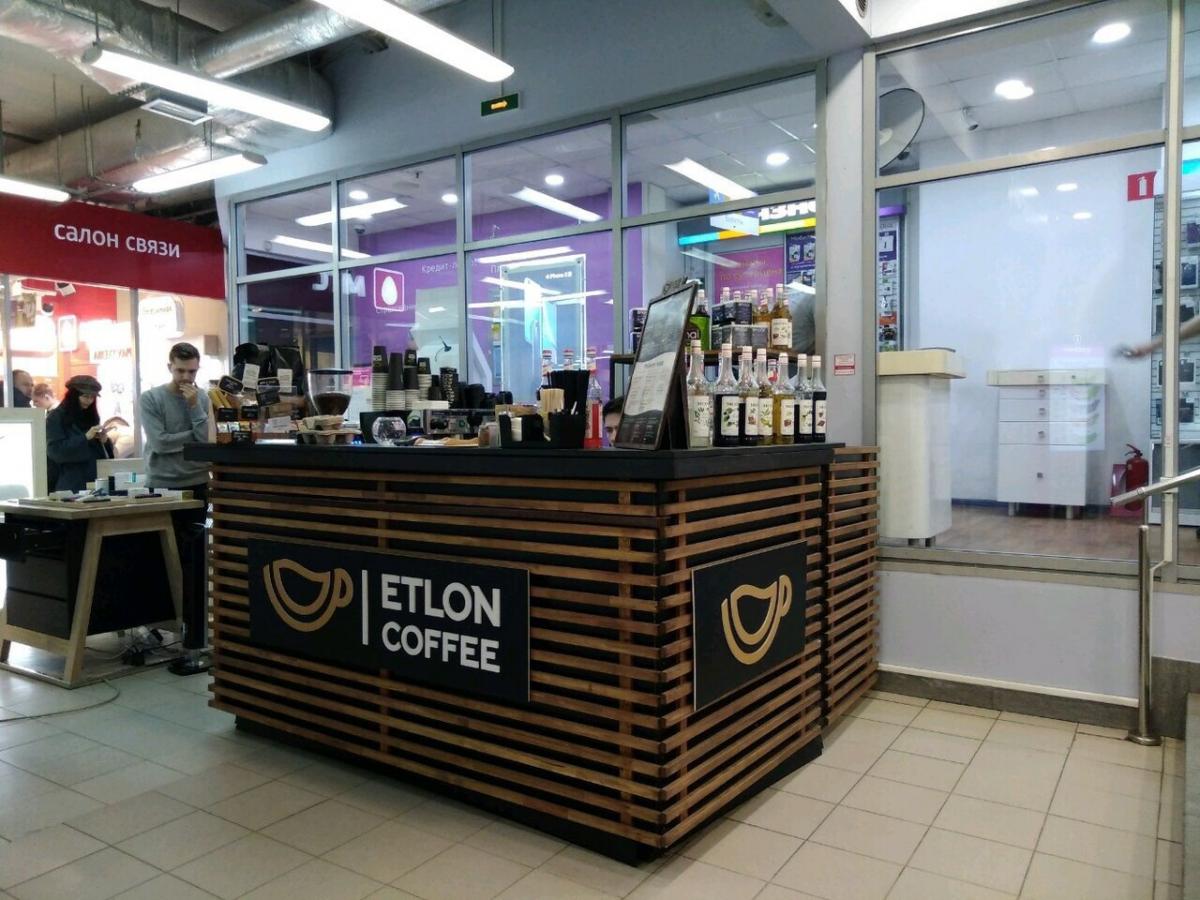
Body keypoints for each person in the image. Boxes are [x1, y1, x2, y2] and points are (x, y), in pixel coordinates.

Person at [140, 342, 211, 525]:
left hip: (198, 480)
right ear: (169, 367)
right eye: (180, 371)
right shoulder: (151, 398)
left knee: (195, 539)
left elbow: (206, 442)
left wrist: (194, 406)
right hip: (162, 483)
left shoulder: (202, 397)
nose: (186, 377)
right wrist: (194, 436)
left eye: (192, 372)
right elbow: (160, 443)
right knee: (162, 541)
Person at [45, 375, 113, 492]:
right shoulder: (56, 417)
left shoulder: (91, 416)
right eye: (85, 396)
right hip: (71, 483)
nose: (89, 401)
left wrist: (104, 441)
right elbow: (55, 451)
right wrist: (85, 438)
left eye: (92, 397)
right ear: (73, 396)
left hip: (96, 482)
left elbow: (102, 453)